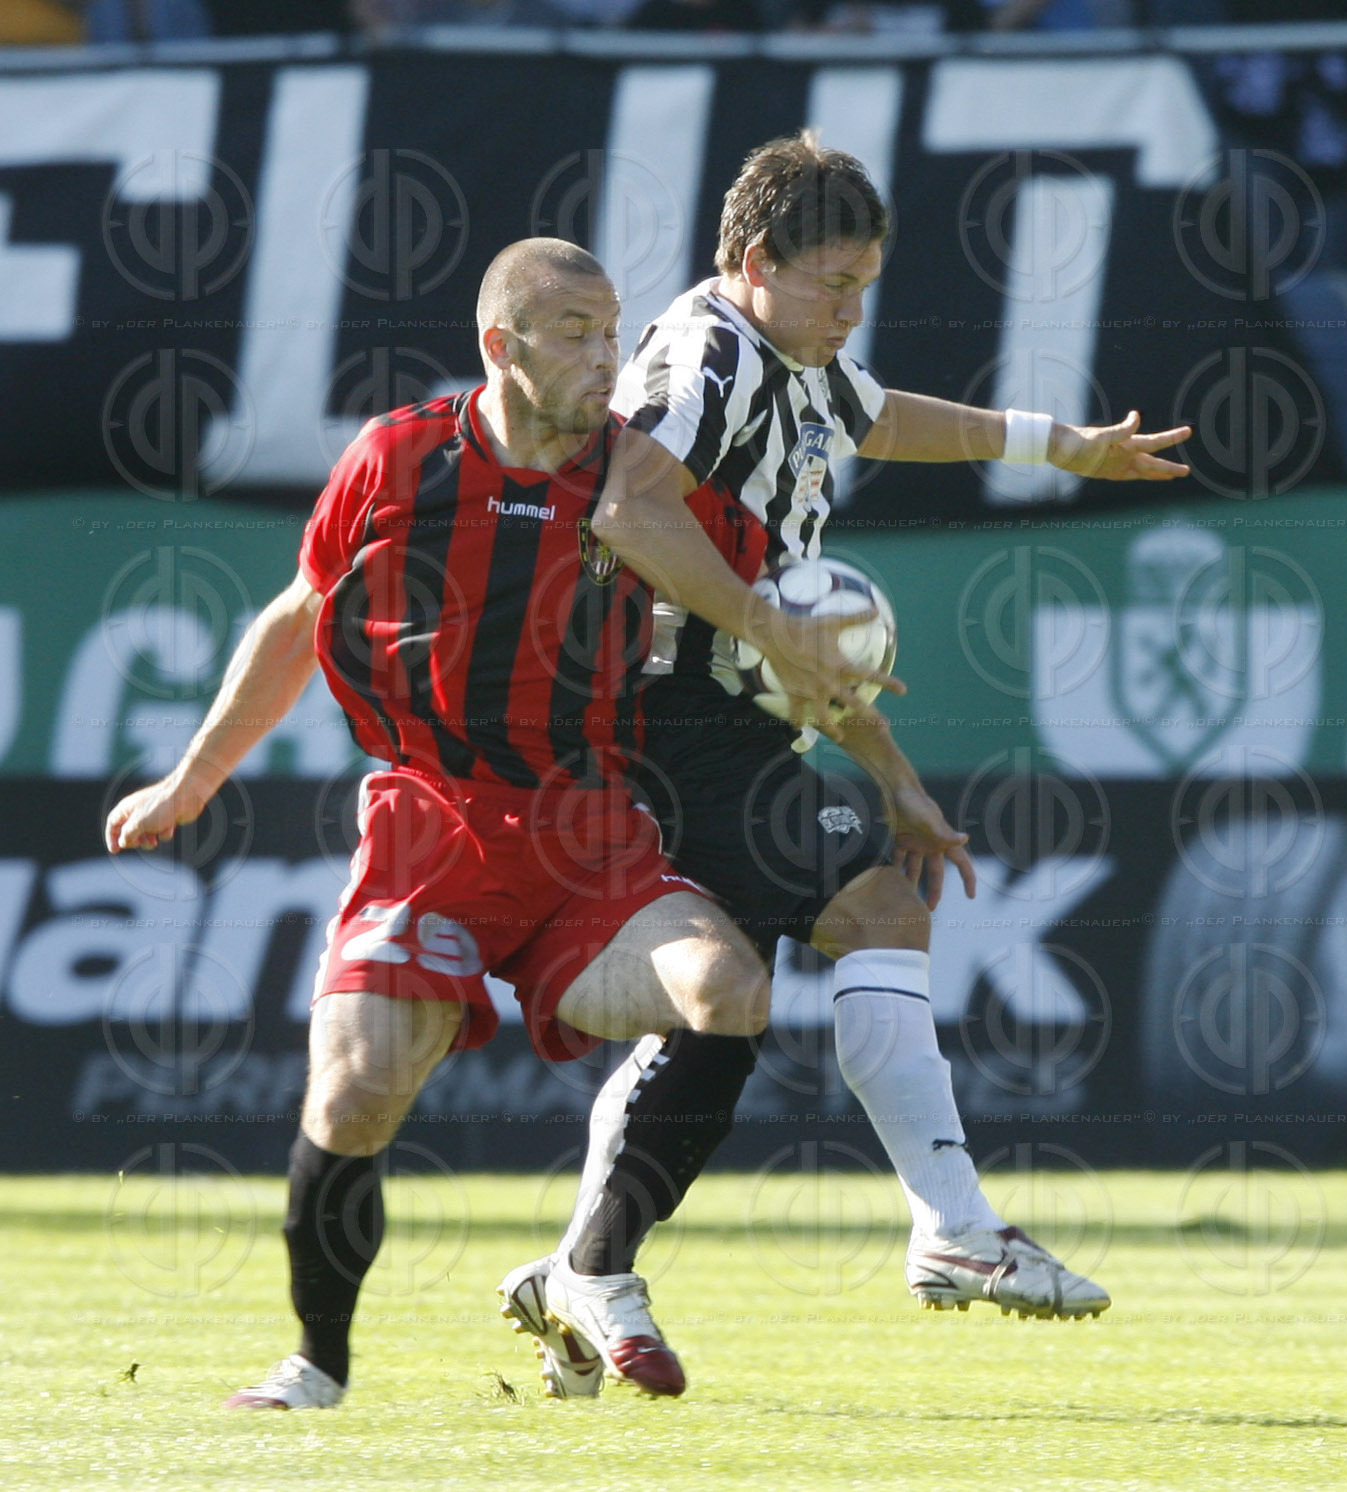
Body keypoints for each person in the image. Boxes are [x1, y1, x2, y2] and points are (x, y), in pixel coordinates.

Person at [498, 133, 1191, 1399]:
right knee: (797, 956)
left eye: (867, 284)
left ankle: (590, 1266)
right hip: (664, 719)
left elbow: (886, 416)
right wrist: (770, 632)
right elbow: (624, 504)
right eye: (833, 283)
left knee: (792, 961)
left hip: (731, 720)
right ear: (753, 263)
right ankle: (947, 1229)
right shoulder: (709, 356)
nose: (850, 310)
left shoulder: (793, 359)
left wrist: (1060, 445)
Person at [104, 239, 775, 1410]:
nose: (605, 355)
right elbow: (301, 614)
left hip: (592, 834)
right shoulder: (399, 455)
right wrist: (194, 780)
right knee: (356, 1095)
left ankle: (592, 1268)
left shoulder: (644, 480)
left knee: (730, 990)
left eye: (613, 330)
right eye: (575, 330)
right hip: (434, 824)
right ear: (499, 346)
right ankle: (317, 1362)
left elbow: (761, 611)